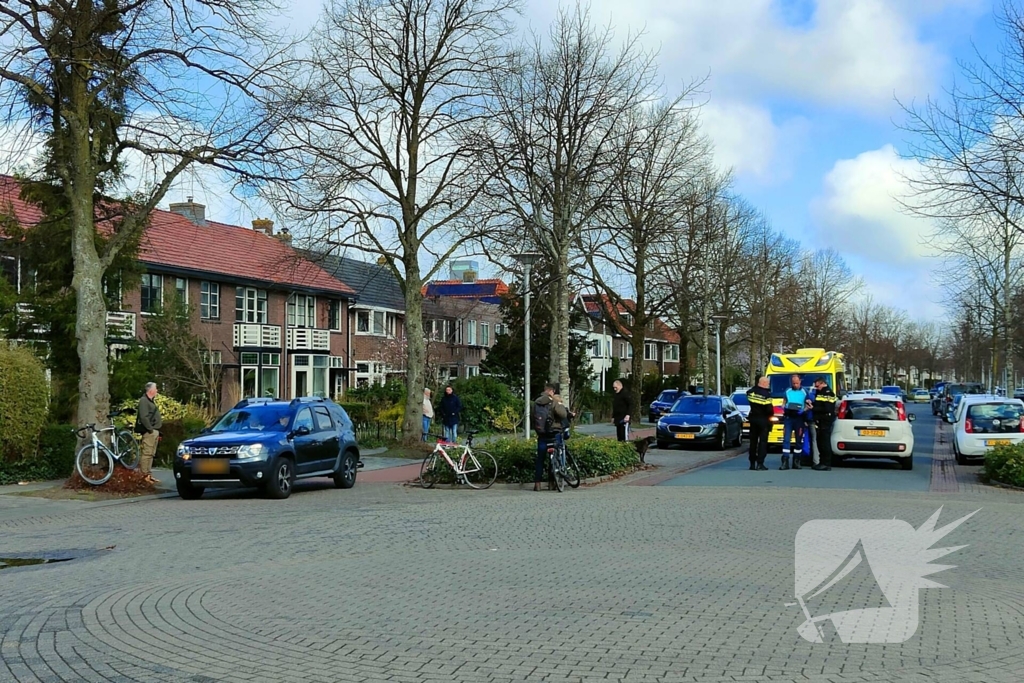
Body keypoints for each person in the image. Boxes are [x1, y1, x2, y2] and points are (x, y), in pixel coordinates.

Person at [533, 382, 569, 491]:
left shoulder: (536, 403)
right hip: (554, 433)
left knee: (540, 459)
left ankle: (537, 484)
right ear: (552, 391)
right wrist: (560, 405)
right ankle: (552, 483)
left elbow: (532, 417)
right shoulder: (553, 402)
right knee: (554, 457)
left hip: (542, 435)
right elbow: (563, 414)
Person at [136, 382, 162, 485]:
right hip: (149, 431)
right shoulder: (144, 401)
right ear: (151, 390)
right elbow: (143, 417)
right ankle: (144, 475)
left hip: (154, 431)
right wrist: (150, 429)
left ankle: (148, 475)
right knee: (147, 453)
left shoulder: (150, 401)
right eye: (156, 388)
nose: (157, 391)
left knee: (151, 454)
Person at [780, 374, 807, 470]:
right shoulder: (787, 391)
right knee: (786, 439)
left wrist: (803, 410)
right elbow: (783, 403)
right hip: (789, 418)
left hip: (799, 418)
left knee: (798, 441)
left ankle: (796, 461)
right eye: (793, 383)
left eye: (796, 383)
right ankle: (785, 461)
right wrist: (784, 407)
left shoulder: (804, 392)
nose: (795, 385)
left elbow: (808, 404)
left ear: (800, 381)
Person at [746, 375, 772, 471]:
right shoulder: (766, 395)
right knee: (763, 442)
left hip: (753, 419)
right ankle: (760, 463)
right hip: (763, 420)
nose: (768, 385)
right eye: (767, 383)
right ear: (764, 383)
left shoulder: (750, 392)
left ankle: (752, 463)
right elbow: (769, 410)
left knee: (753, 442)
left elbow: (749, 394)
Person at [811, 376, 837, 471]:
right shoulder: (820, 393)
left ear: (822, 383)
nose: (816, 388)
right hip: (820, 421)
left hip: (825, 420)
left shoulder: (828, 393)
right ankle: (822, 462)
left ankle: (826, 463)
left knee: (824, 442)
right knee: (820, 442)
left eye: (817, 386)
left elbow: (827, 408)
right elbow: (819, 404)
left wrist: (813, 408)